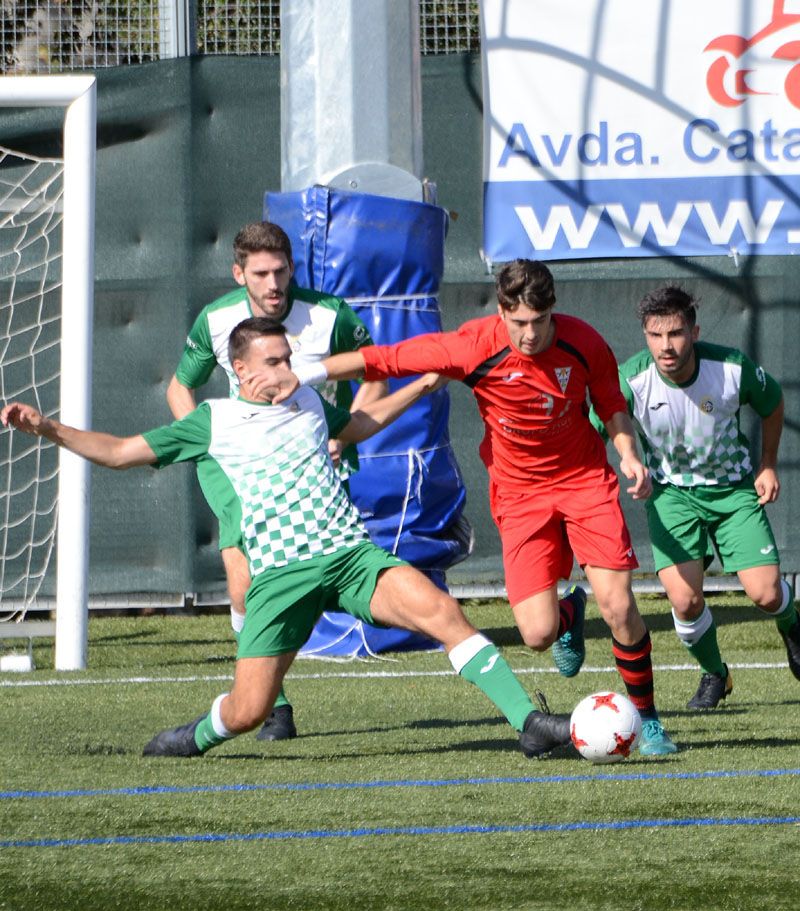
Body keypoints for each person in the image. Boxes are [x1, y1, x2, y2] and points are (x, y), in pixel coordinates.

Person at [1, 318, 573, 760]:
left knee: (445, 612)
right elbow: (122, 453)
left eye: (289, 356)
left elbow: (358, 428)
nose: (286, 367)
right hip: (281, 577)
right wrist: (47, 427)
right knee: (249, 713)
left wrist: (421, 385)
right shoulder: (213, 421)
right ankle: (195, 737)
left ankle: (527, 724)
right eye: (274, 360)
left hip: (350, 557)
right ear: (242, 370)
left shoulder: (304, 400)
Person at [258, 260, 678, 756]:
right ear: (501, 311)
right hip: (520, 497)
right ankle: (568, 614)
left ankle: (647, 721)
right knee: (537, 634)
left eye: (538, 322)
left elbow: (611, 404)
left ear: (553, 312)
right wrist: (305, 372)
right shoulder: (472, 344)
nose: (528, 334)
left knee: (620, 606)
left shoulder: (583, 342)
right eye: (518, 322)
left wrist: (627, 453)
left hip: (585, 482)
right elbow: (387, 359)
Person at [166, 221, 387, 742]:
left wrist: (345, 435)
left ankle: (265, 695)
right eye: (260, 273)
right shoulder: (217, 320)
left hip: (314, 466)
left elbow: (376, 372)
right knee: (243, 583)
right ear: (238, 272)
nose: (273, 284)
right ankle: (274, 705)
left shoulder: (329, 316)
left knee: (303, 587)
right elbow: (182, 387)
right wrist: (203, 447)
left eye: (281, 271)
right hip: (239, 467)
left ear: (292, 269)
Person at [606, 284, 800, 709]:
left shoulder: (730, 367)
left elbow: (772, 403)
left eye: (675, 333)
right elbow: (605, 417)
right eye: (655, 336)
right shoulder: (631, 378)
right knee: (685, 600)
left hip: (732, 493)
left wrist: (767, 464)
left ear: (694, 331)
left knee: (767, 594)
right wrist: (629, 457)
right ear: (644, 335)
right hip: (672, 496)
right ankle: (716, 673)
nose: (666, 346)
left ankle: (791, 624)